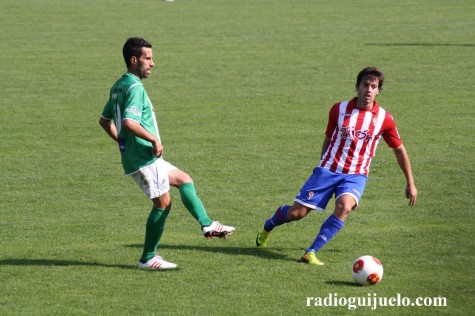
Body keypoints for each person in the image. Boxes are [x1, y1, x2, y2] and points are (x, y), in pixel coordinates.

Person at [255, 67, 417, 265]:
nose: (368, 90)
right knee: (296, 214)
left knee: (344, 207)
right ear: (357, 87)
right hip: (328, 170)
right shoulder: (338, 110)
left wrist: (410, 182)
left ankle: (311, 252)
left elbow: (399, 149)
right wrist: (323, 165)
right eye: (365, 85)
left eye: (373, 87)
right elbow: (328, 139)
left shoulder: (384, 119)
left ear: (378, 91)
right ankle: (269, 224)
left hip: (355, 176)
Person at [99, 37, 235, 270]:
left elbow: (104, 121)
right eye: (147, 58)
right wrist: (151, 139)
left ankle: (207, 224)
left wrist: (123, 144)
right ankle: (148, 258)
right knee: (162, 204)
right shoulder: (135, 87)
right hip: (143, 158)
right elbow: (130, 122)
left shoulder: (118, 85)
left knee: (184, 179)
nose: (152, 63)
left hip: (140, 155)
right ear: (134, 60)